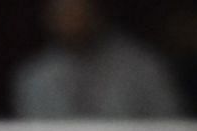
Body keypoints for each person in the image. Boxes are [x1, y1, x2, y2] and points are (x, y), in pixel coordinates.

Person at [10, 0, 184, 120]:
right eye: (64, 12)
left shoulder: (141, 67)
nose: (73, 20)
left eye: (79, 9)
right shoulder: (35, 76)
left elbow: (172, 128)